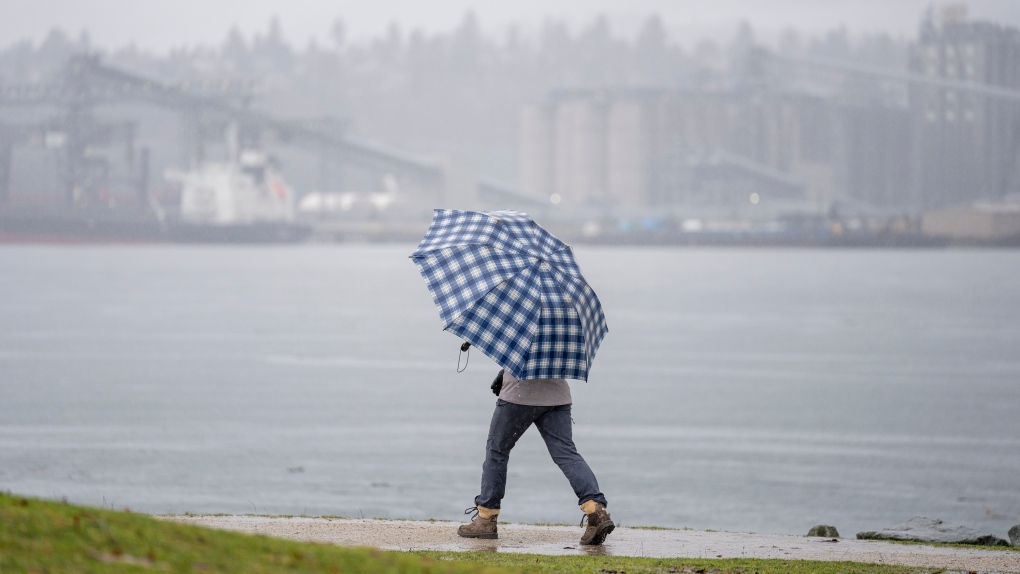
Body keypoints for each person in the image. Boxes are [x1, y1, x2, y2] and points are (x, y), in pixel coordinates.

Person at [456, 368, 614, 545]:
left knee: (497, 452)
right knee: (566, 453)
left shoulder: (524, 338)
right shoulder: (562, 338)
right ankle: (596, 509)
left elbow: (521, 352)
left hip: (518, 395)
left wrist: (505, 372)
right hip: (557, 397)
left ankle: (486, 518)